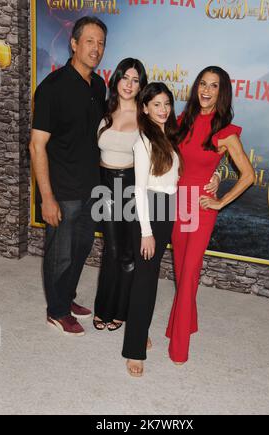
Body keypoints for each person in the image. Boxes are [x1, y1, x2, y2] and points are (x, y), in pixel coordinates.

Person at [166, 66, 255, 363]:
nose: (206, 90)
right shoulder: (181, 121)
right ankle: (188, 323)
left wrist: (220, 201)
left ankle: (178, 349)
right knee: (181, 273)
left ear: (222, 92)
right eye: (202, 84)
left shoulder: (225, 132)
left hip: (202, 207)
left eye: (213, 86)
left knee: (190, 272)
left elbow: (248, 176)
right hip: (179, 203)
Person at [29, 17, 107, 336]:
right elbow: (37, 146)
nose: (96, 48)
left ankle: (67, 297)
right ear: (74, 44)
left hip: (91, 187)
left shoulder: (99, 85)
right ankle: (57, 310)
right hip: (62, 189)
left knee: (81, 248)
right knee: (60, 253)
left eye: (101, 42)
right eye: (89, 41)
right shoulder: (52, 88)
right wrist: (47, 198)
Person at [121, 82, 183, 377]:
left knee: (150, 277)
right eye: (156, 104)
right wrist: (146, 231)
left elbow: (174, 179)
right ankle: (134, 350)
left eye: (167, 104)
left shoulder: (167, 136)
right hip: (149, 211)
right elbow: (139, 190)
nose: (163, 110)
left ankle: (139, 328)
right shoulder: (143, 141)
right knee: (145, 281)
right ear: (144, 107)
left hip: (166, 210)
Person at [93, 58, 148, 331]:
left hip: (129, 186)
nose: (129, 84)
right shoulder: (104, 109)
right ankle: (103, 308)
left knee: (127, 253)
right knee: (110, 250)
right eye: (125, 77)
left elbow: (166, 149)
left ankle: (121, 310)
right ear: (116, 79)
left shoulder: (145, 115)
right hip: (104, 185)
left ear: (141, 86)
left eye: (136, 80)